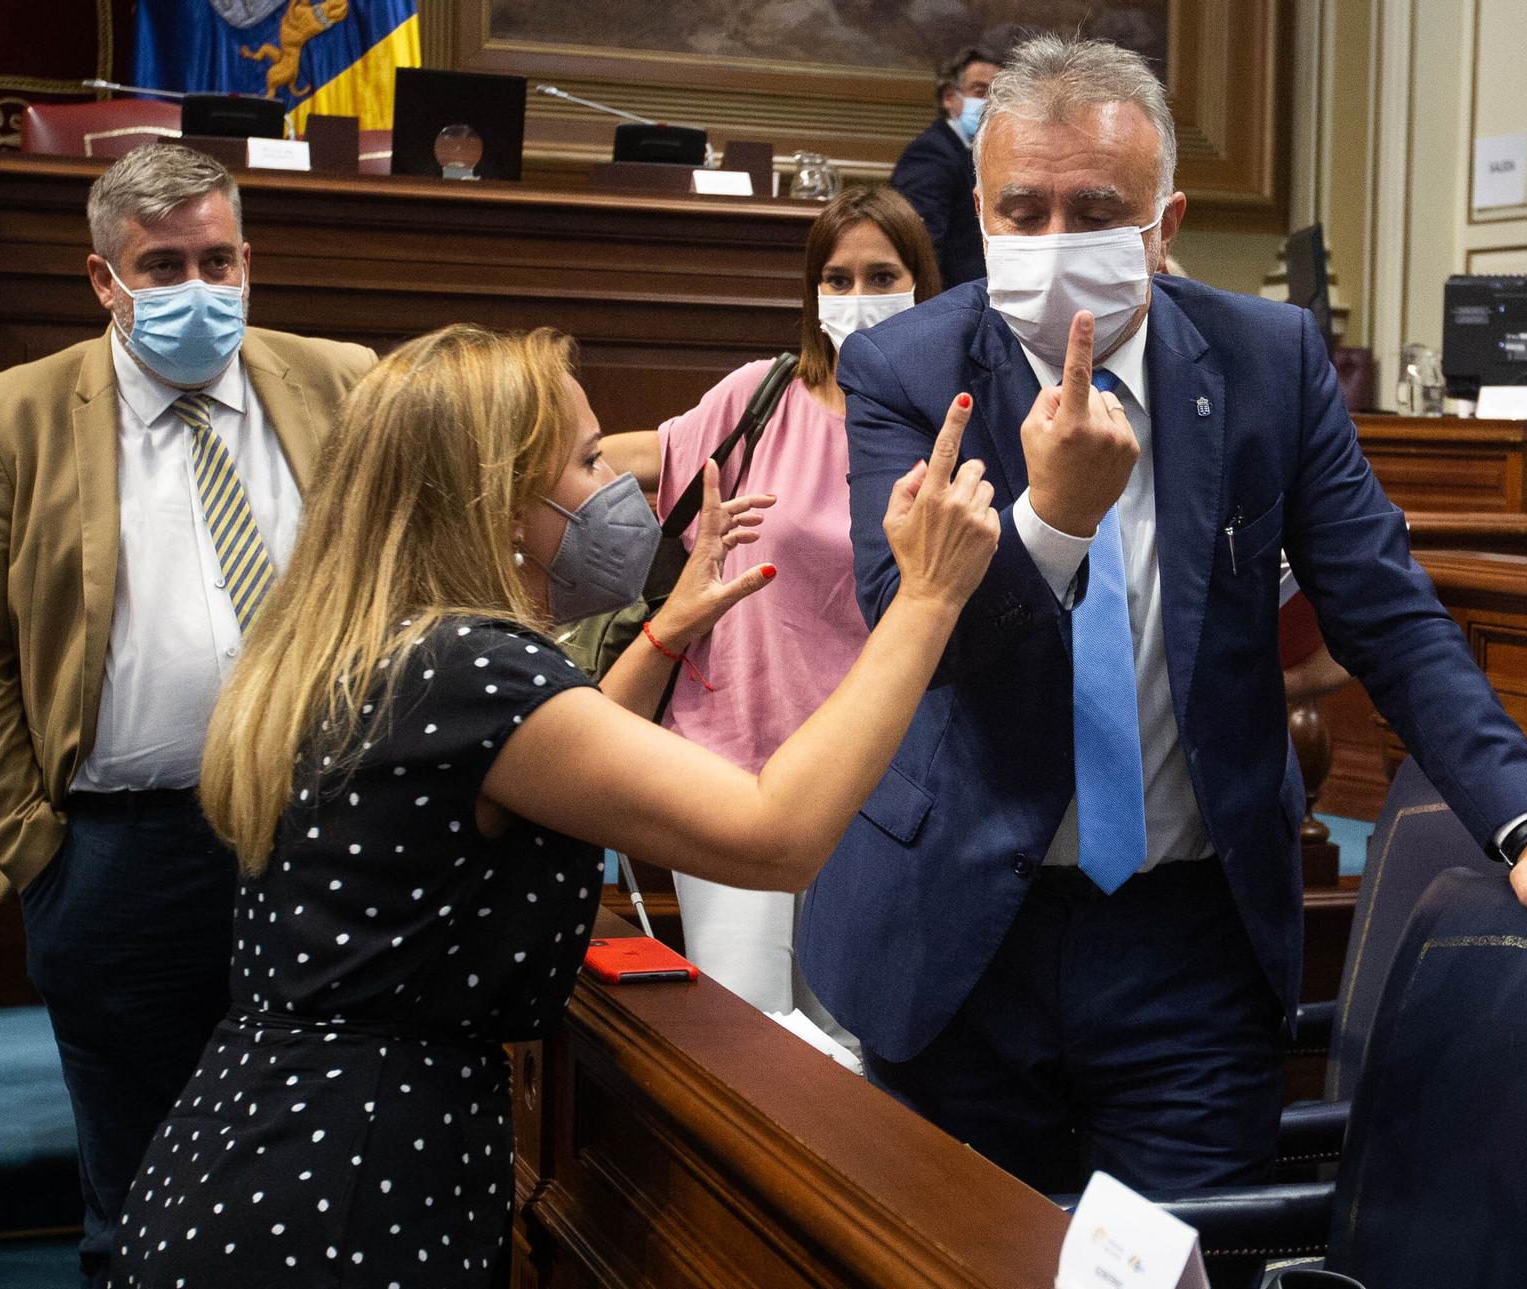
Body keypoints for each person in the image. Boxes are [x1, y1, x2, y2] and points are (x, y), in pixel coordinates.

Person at [800, 35, 1527, 1196]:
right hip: (958, 933)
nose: (1055, 241)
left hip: (1189, 942)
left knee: (1179, 1258)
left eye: (1095, 209)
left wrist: (1522, 817)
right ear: (976, 211)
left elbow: (1381, 607)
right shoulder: (911, 372)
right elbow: (909, 642)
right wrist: (1054, 523)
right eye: (1021, 211)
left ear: (1163, 223)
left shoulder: (1265, 359)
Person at [112, 323, 997, 1288]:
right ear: (503, 506)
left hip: (255, 1144)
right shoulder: (472, 668)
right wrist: (928, 598)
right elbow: (774, 833)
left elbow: (540, 773)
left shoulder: (381, 644)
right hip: (349, 1187)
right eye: (584, 461)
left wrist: (667, 631)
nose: (616, 487)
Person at [0, 143, 375, 1288]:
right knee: (139, 1181)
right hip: (117, 853)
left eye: (217, 258)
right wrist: (35, 845)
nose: (196, 287)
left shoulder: (341, 381)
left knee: (312, 1156)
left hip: (316, 836)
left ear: (250, 259)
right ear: (102, 280)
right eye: (161, 267)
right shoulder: (12, 414)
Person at [599, 186, 938, 1032]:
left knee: (856, 1044)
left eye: (881, 275)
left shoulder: (950, 418)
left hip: (870, 774)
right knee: (743, 1036)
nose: (857, 297)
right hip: (730, 760)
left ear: (922, 283)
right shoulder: (763, 393)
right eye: (838, 277)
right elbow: (651, 455)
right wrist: (506, 448)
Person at [890, 44, 1002, 290]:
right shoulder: (930, 154)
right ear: (950, 98)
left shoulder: (981, 154)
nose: (990, 102)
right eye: (980, 91)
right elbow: (919, 247)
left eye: (998, 94)